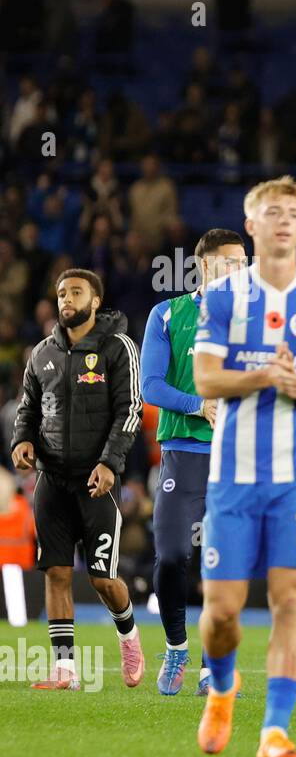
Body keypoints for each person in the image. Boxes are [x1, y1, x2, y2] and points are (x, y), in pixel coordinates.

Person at [192, 176, 296, 757]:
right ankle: (224, 688)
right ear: (252, 225)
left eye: (293, 213)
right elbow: (206, 380)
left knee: (290, 600)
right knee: (223, 614)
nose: (284, 221)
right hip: (233, 475)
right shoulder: (224, 299)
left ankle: (275, 730)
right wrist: (264, 376)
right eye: (271, 212)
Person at [11, 268, 143, 691]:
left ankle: (128, 635)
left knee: (103, 579)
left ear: (96, 300)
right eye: (62, 292)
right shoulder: (42, 353)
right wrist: (22, 441)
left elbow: (131, 410)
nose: (66, 299)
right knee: (56, 573)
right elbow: (28, 407)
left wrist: (109, 463)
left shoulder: (117, 347)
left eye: (76, 292)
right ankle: (65, 670)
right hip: (52, 480)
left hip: (97, 480)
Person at [141, 228, 246, 696]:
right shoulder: (167, 313)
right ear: (205, 267)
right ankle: (177, 645)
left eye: (245, 262)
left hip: (238, 458)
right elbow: (151, 386)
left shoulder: (261, 319)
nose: (241, 270)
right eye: (230, 262)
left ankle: (213, 669)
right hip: (184, 455)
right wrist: (198, 405)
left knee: (226, 564)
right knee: (171, 557)